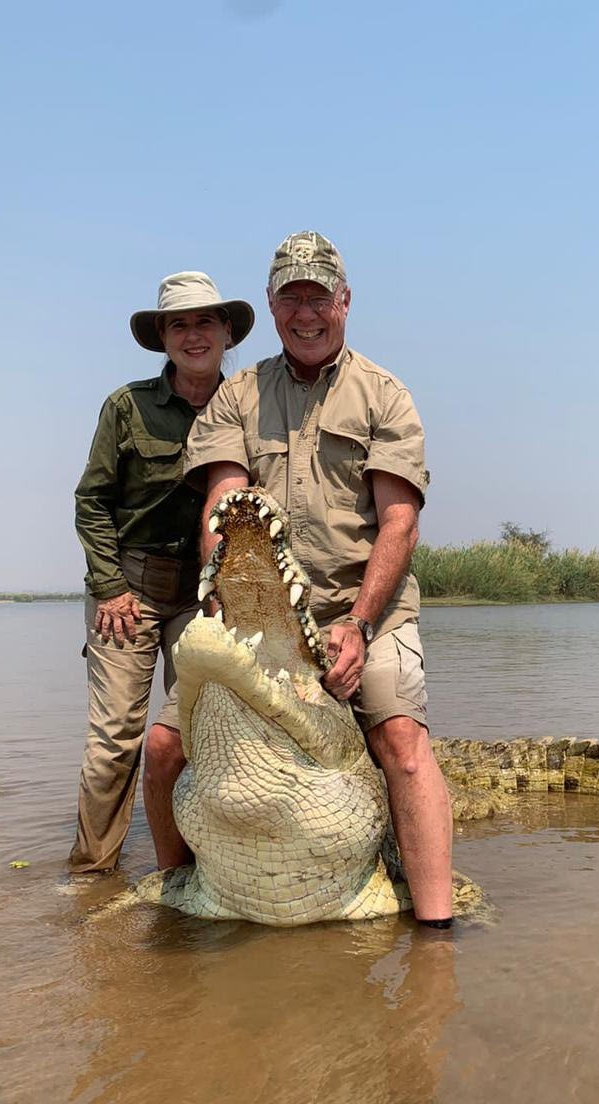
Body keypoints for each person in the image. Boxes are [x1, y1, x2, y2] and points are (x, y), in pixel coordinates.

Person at [183, 232, 455, 926]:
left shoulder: (385, 396)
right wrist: (220, 593)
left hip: (370, 606)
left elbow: (399, 525)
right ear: (272, 307)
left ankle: (439, 928)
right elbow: (223, 501)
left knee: (401, 742)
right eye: (290, 297)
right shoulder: (236, 397)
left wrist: (360, 626)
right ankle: (182, 895)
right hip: (265, 607)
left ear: (344, 300)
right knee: (162, 752)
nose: (306, 312)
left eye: (318, 296)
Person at [70, 272, 255, 873]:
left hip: (206, 599)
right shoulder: (128, 406)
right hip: (131, 592)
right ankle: (93, 874)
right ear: (162, 337)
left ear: (227, 332)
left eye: (205, 322)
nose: (193, 336)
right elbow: (91, 501)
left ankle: (197, 869)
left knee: (199, 733)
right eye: (179, 324)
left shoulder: (248, 406)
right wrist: (109, 587)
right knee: (113, 745)